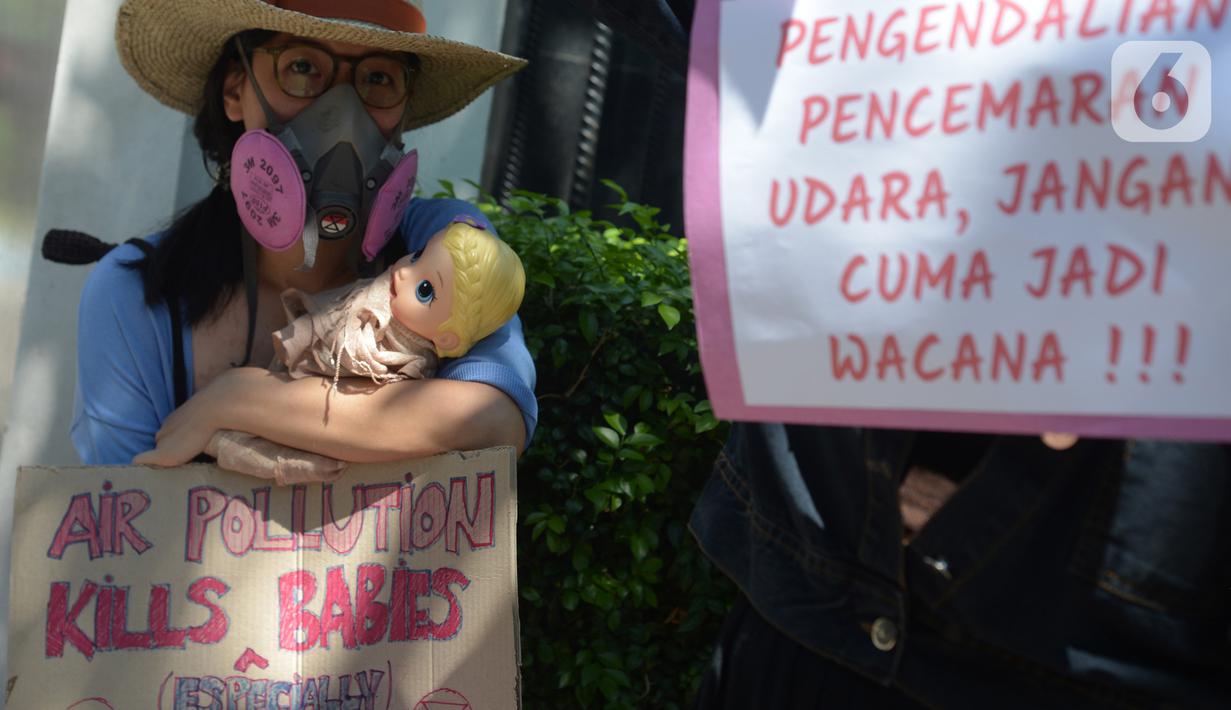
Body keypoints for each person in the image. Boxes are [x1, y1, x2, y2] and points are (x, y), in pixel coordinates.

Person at [71, 0, 536, 469]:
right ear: (235, 91)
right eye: (301, 67)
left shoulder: (442, 244)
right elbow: (123, 518)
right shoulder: (137, 296)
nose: (342, 116)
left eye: (378, 78)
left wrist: (238, 399)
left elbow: (495, 420)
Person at [207, 216, 527, 484]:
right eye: (417, 256)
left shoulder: (404, 356)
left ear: (448, 339)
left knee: (256, 452)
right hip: (287, 396)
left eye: (425, 290)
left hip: (320, 435)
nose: (403, 271)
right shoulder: (383, 295)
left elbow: (362, 372)